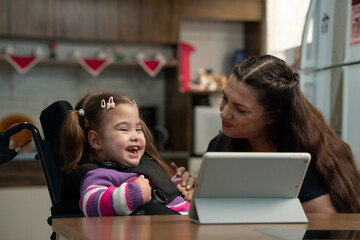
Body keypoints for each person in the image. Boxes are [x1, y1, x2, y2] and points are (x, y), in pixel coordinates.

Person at [207, 55, 360, 213]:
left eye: (240, 109)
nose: (224, 113)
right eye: (225, 98)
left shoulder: (303, 157)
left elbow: (326, 222)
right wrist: (191, 188)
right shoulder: (221, 145)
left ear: (272, 116)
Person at [59, 91, 191, 216]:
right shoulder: (99, 174)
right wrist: (134, 194)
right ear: (96, 140)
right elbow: (90, 204)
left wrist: (182, 185)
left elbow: (165, 191)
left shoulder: (147, 166)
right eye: (124, 129)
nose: (135, 136)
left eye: (138, 129)